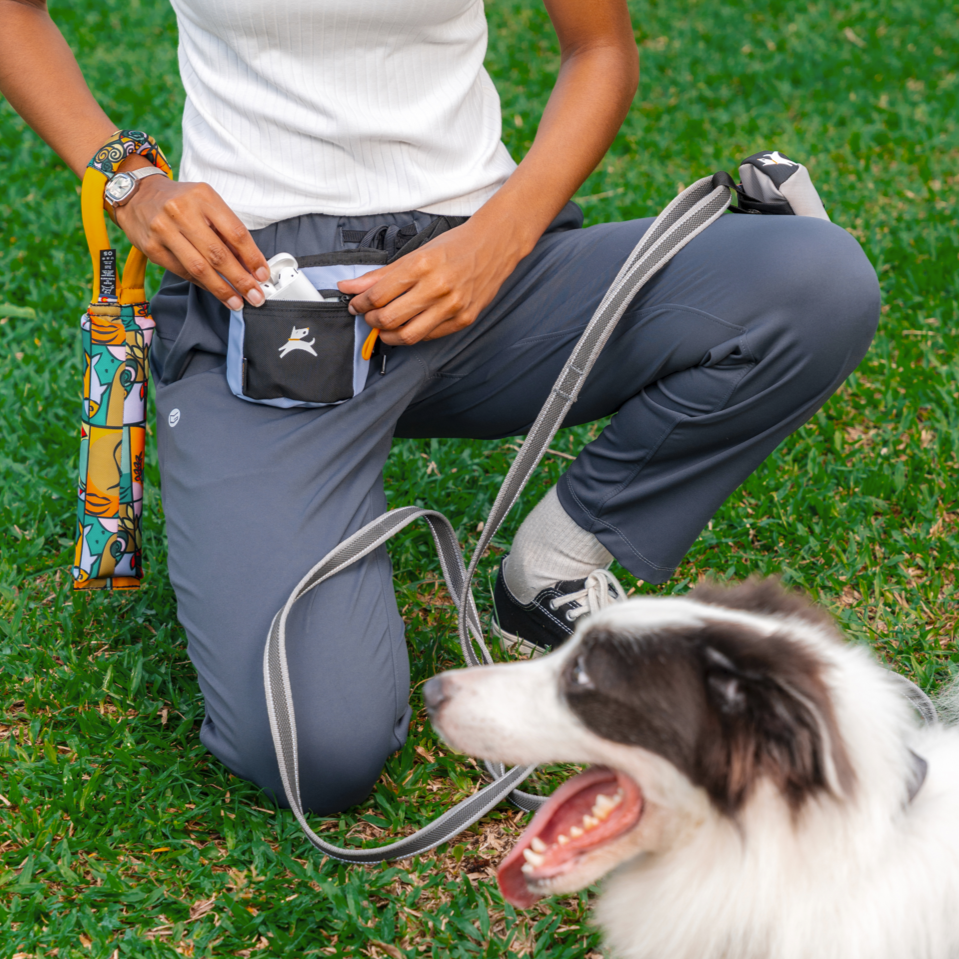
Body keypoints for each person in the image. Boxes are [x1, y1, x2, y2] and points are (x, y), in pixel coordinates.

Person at [0, 0, 879, 815]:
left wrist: (498, 238)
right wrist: (132, 182)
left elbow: (600, 50)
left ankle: (554, 561)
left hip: (487, 271)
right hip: (259, 300)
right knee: (317, 753)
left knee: (812, 283)